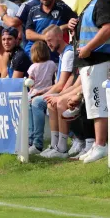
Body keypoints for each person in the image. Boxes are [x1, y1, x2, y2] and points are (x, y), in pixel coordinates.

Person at [70, 0, 110, 164]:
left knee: (98, 104)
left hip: (97, 59)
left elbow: (107, 28)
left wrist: (89, 48)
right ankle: (97, 145)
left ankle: (101, 145)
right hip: (90, 60)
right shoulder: (93, 3)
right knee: (92, 104)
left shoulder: (104, 1)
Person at [32, 25, 74, 155]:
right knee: (34, 99)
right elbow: (57, 84)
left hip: (68, 92)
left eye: (50, 40)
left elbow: (61, 85)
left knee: (37, 102)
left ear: (60, 37)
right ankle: (53, 144)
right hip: (63, 91)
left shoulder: (68, 53)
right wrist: (43, 91)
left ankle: (38, 143)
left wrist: (44, 95)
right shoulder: (62, 55)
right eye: (46, 41)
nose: (48, 44)